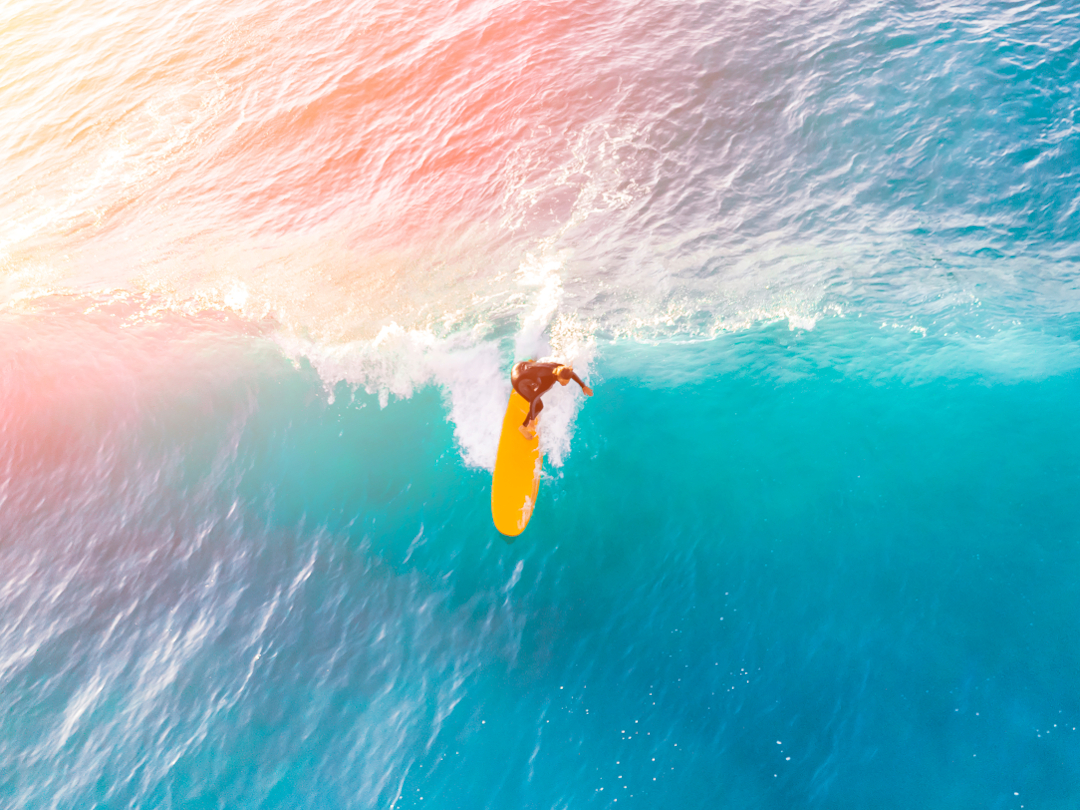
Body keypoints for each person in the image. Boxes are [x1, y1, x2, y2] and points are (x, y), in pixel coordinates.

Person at [511, 360, 593, 440]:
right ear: (559, 377)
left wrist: (583, 386)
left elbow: (570, 373)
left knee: (536, 378)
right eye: (564, 381)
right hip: (518, 380)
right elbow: (533, 400)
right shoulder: (547, 382)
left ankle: (532, 367)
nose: (566, 383)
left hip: (520, 366)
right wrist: (532, 419)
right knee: (539, 406)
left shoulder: (560, 368)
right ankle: (523, 427)